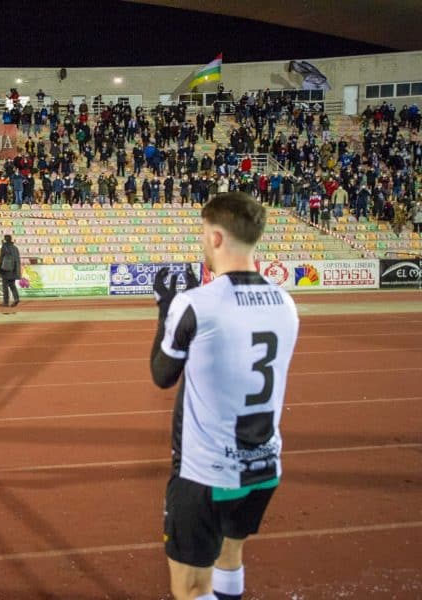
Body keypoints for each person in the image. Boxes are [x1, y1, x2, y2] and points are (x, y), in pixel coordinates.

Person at [149, 192, 299, 600]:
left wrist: (167, 312)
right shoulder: (286, 304)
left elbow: (163, 376)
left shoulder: (197, 304)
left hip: (208, 472)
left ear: (216, 238)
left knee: (193, 586)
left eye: (203, 233)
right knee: (230, 559)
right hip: (264, 466)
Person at [0, 234, 21, 307]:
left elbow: (1, 258)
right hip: (14, 269)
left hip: (5, 269)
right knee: (12, 285)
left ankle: (6, 302)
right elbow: (17, 259)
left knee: (5, 286)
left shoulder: (4, 247)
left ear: (5, 240)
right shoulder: (15, 248)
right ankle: (16, 298)